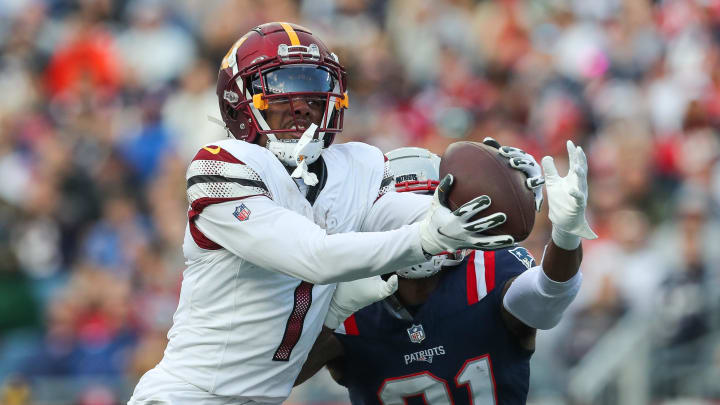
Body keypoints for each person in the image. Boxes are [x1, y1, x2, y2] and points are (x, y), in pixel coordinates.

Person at [128, 22, 521, 405]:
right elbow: (314, 256)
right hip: (186, 394)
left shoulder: (358, 165)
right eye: (281, 91)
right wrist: (428, 238)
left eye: (314, 90)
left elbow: (415, 216)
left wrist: (491, 198)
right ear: (238, 102)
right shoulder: (222, 165)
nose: (301, 105)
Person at [295, 141, 597, 404]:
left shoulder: (488, 270)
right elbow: (277, 377)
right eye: (401, 216)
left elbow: (549, 297)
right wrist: (331, 316)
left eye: (429, 213)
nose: (418, 227)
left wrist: (566, 235)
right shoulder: (348, 295)